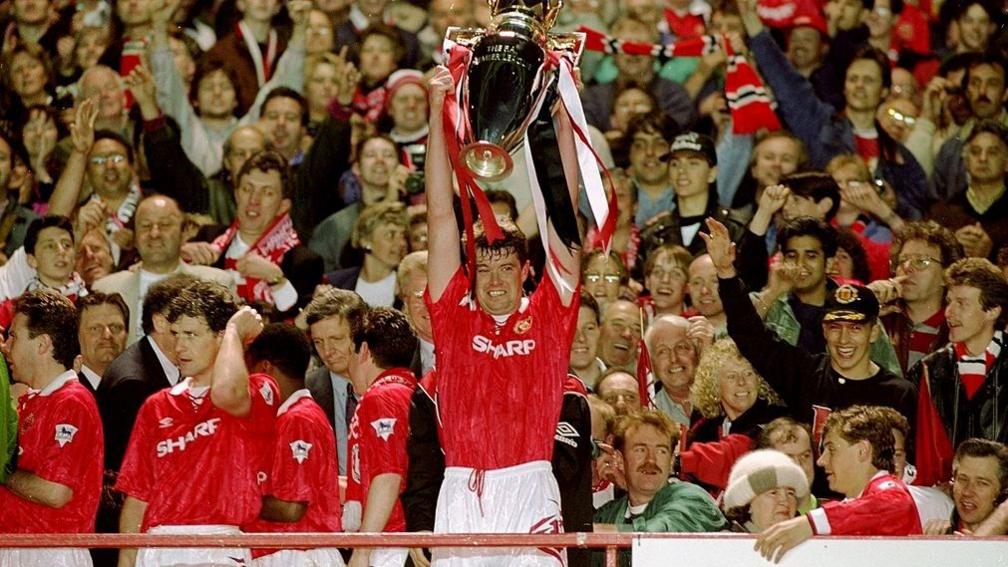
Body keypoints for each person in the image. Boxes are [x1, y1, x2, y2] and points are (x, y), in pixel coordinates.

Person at [425, 64, 582, 566]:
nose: (494, 282)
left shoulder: (550, 315)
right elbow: (440, 214)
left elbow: (565, 212)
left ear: (526, 271)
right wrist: (436, 113)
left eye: (505, 268)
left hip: (529, 486)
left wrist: (563, 122)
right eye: (484, 268)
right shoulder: (453, 317)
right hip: (461, 492)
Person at [702, 217, 916, 446]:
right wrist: (725, 271)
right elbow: (748, 332)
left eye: (855, 328)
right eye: (835, 327)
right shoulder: (805, 375)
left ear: (873, 332)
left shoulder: (899, 393)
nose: (844, 339)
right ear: (824, 330)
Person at [116, 281, 278, 567]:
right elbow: (137, 496)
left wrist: (234, 331)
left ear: (220, 336)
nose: (179, 346)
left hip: (220, 546)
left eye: (191, 334)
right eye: (176, 334)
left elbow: (227, 392)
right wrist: (126, 560)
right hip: (159, 546)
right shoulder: (156, 405)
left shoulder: (259, 390)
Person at [0, 291, 103, 567]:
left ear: (43, 344)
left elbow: (55, 491)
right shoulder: (34, 401)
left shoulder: (72, 401)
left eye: (14, 337)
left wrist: (3, 471)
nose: (6, 347)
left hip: (51, 551)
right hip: (21, 547)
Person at [754, 405, 922, 562]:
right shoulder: (856, 505)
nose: (821, 461)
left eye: (831, 450)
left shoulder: (889, 491)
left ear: (862, 450)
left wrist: (810, 523)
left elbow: (895, 503)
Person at [245, 324, 345, 567]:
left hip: (298, 554)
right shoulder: (286, 417)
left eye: (249, 371)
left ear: (265, 368)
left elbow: (290, 508)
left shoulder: (299, 419)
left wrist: (232, 496)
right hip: (281, 552)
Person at [189, 150, 323, 316]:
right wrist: (180, 256)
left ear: (283, 206)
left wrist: (276, 280)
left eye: (267, 193)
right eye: (247, 189)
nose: (254, 200)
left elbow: (301, 327)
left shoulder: (303, 262)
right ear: (237, 194)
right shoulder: (208, 238)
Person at [912, 257, 1008, 486]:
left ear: (992, 311)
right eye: (949, 301)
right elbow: (928, 459)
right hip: (948, 496)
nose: (949, 313)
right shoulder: (931, 369)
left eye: (962, 303)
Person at [92, 195, 234, 344]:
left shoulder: (217, 285)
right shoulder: (106, 289)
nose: (154, 233)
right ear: (134, 236)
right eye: (146, 226)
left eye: (165, 225)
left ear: (184, 232)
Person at [594, 410, 726, 566]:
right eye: (640, 450)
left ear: (671, 462)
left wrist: (590, 534)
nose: (651, 460)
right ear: (620, 460)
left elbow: (658, 535)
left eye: (661, 451)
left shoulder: (693, 499)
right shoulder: (608, 514)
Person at [343, 307, 417, 567]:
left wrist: (363, 550)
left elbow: (389, 475)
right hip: (394, 536)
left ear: (363, 351)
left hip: (389, 541)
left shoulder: (382, 396)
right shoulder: (408, 389)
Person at [881, 221, 963, 374]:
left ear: (946, 276)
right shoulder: (881, 321)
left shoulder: (960, 329)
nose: (907, 268)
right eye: (902, 260)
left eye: (921, 261)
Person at [303, 288, 368, 475]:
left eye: (336, 339)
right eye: (318, 342)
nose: (327, 351)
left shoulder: (387, 384)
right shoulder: (307, 392)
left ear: (360, 336)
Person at [927, 121, 1008, 260]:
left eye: (992, 152)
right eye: (975, 152)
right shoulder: (940, 214)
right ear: (965, 160)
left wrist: (994, 250)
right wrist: (952, 247)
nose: (983, 158)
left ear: (1007, 162)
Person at [689, 338, 785, 443]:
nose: (741, 382)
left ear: (759, 380)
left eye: (748, 373)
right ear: (714, 384)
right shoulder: (703, 430)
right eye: (731, 376)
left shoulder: (778, 428)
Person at [323, 201, 408, 307]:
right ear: (365, 240)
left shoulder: (408, 286)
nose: (402, 243)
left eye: (403, 235)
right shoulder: (335, 284)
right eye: (390, 235)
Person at [924, 438, 1008, 534]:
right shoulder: (936, 535)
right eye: (963, 479)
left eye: (981, 483)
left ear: (1002, 491)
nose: (967, 492)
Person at [722, 449, 810, 533]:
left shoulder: (811, 543)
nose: (785, 501)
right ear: (748, 506)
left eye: (790, 493)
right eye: (773, 493)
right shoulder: (725, 544)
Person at [644, 315, 706, 426]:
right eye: (662, 352)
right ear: (651, 363)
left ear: (698, 352)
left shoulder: (722, 396)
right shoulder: (646, 410)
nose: (673, 359)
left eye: (681, 347)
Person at [755, 418, 819, 512]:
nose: (798, 466)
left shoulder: (835, 516)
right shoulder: (752, 520)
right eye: (788, 458)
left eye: (805, 456)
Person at [76, 292, 129, 395]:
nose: (107, 335)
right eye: (95, 329)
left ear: (127, 334)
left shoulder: (138, 390)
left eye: (116, 327)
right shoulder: (66, 394)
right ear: (76, 335)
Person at [397, 251, 434, 376]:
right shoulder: (394, 357)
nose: (429, 304)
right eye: (420, 296)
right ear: (406, 300)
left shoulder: (476, 350)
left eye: (436, 294)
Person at [570, 293, 604, 391]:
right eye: (571, 330)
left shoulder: (623, 385)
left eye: (589, 328)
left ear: (600, 331)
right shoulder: (546, 393)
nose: (581, 338)